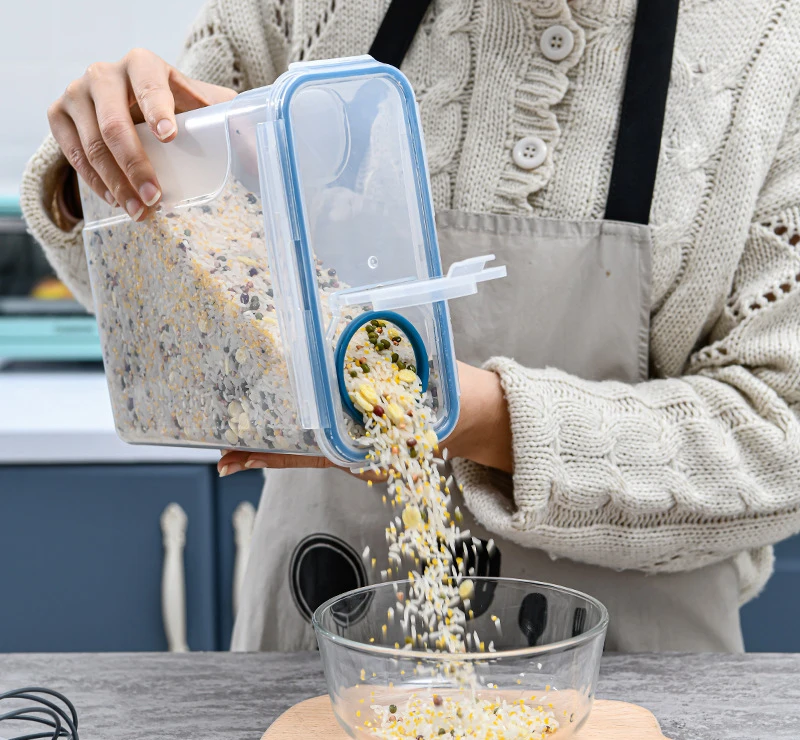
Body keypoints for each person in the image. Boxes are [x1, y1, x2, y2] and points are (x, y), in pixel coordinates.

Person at [21, 0, 800, 653]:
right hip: (311, 661)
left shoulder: (771, 50)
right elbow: (178, 316)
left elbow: (779, 443)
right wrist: (103, 172)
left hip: (629, 678)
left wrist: (472, 417)